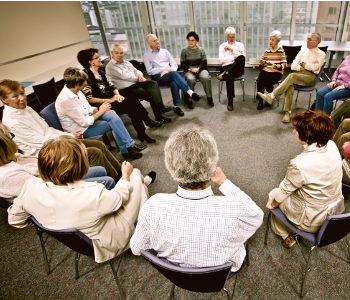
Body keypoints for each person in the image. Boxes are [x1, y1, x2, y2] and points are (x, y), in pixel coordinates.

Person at [130, 126, 263, 274]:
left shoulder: (152, 206)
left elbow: (137, 249)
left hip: (177, 275)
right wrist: (224, 182)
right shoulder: (237, 210)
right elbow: (257, 215)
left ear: (170, 167)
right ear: (213, 166)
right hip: (222, 274)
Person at [8, 135, 153, 264]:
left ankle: (142, 185)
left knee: (137, 186)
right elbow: (118, 199)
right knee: (134, 174)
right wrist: (125, 175)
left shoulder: (30, 186)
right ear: (80, 165)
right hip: (109, 237)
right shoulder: (91, 194)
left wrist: (43, 220)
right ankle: (142, 190)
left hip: (82, 239)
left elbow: (14, 220)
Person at [0, 79, 123, 181]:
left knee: (98, 144)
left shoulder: (27, 109)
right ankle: (116, 181)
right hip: (47, 153)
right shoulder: (13, 122)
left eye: (22, 93)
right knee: (94, 152)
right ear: (4, 100)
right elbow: (42, 142)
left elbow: (48, 130)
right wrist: (69, 136)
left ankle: (120, 173)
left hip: (56, 142)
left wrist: (68, 135)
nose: (22, 98)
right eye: (15, 96)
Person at [266, 110, 344, 248]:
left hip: (312, 221)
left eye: (297, 129)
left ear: (307, 138)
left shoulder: (300, 164)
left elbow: (284, 191)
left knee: (274, 195)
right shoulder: (331, 145)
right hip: (335, 214)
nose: (293, 131)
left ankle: (285, 235)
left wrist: (272, 204)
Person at [0, 125, 116, 202]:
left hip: (54, 179)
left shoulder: (13, 157)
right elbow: (48, 192)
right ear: (4, 146)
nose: (13, 139)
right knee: (108, 181)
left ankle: (116, 189)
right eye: (10, 136)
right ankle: (115, 206)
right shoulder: (9, 175)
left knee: (100, 169)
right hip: (57, 193)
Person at [55, 67, 145, 160]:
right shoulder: (64, 100)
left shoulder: (76, 91)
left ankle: (129, 146)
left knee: (111, 113)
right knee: (114, 123)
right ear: (77, 84)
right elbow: (84, 123)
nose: (86, 82)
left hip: (89, 118)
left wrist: (100, 109)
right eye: (85, 81)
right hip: (81, 129)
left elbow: (88, 109)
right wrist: (101, 111)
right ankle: (127, 148)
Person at [77, 48, 159, 144]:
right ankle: (145, 123)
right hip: (101, 106)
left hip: (112, 100)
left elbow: (113, 86)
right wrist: (109, 100)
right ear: (91, 62)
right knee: (131, 105)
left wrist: (117, 95)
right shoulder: (85, 77)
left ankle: (142, 132)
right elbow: (89, 99)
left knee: (132, 100)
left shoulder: (101, 72)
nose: (100, 59)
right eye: (97, 57)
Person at [259, 32, 326, 123]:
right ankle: (288, 112)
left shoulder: (321, 54)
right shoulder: (302, 52)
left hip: (310, 77)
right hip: (298, 73)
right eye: (307, 39)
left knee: (291, 76)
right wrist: (305, 65)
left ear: (316, 42)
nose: (307, 41)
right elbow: (293, 66)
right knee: (290, 85)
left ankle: (272, 95)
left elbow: (314, 68)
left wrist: (302, 63)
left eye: (309, 39)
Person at [106, 43, 172, 125]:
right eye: (116, 53)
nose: (119, 55)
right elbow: (126, 77)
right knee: (151, 94)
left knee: (153, 83)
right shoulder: (110, 66)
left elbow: (136, 70)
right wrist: (140, 78)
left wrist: (140, 75)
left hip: (135, 84)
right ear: (112, 53)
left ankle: (161, 106)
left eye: (121, 53)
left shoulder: (126, 62)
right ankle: (158, 116)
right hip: (125, 89)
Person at [143, 34, 201, 117]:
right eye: (154, 40)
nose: (157, 42)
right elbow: (149, 71)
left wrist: (168, 70)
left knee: (174, 82)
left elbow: (174, 65)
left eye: (157, 39)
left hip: (169, 74)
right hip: (157, 76)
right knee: (174, 74)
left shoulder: (165, 51)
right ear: (149, 43)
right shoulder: (147, 55)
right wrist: (165, 70)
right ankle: (190, 92)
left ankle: (176, 106)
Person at [180, 31, 214, 108]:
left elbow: (204, 61)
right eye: (189, 40)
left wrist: (198, 68)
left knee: (206, 78)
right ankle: (189, 99)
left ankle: (209, 97)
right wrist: (190, 69)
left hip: (200, 68)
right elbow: (182, 63)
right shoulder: (184, 50)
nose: (190, 42)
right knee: (191, 79)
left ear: (197, 41)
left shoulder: (201, 50)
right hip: (189, 69)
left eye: (192, 40)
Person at [256, 30, 287, 110]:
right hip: (266, 70)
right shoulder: (266, 51)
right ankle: (260, 100)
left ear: (278, 41)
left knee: (268, 80)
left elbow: (284, 65)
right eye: (270, 39)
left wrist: (276, 66)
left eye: (273, 40)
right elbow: (262, 64)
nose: (270, 41)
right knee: (260, 79)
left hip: (277, 72)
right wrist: (261, 64)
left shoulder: (281, 51)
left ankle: (268, 97)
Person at [218, 27, 245, 111]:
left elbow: (242, 57)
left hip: (238, 68)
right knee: (229, 75)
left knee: (241, 58)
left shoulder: (240, 45)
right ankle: (230, 102)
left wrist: (231, 49)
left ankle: (225, 73)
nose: (231, 39)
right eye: (230, 37)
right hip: (227, 67)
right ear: (226, 37)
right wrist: (233, 58)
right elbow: (221, 60)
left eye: (233, 37)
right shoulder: (222, 46)